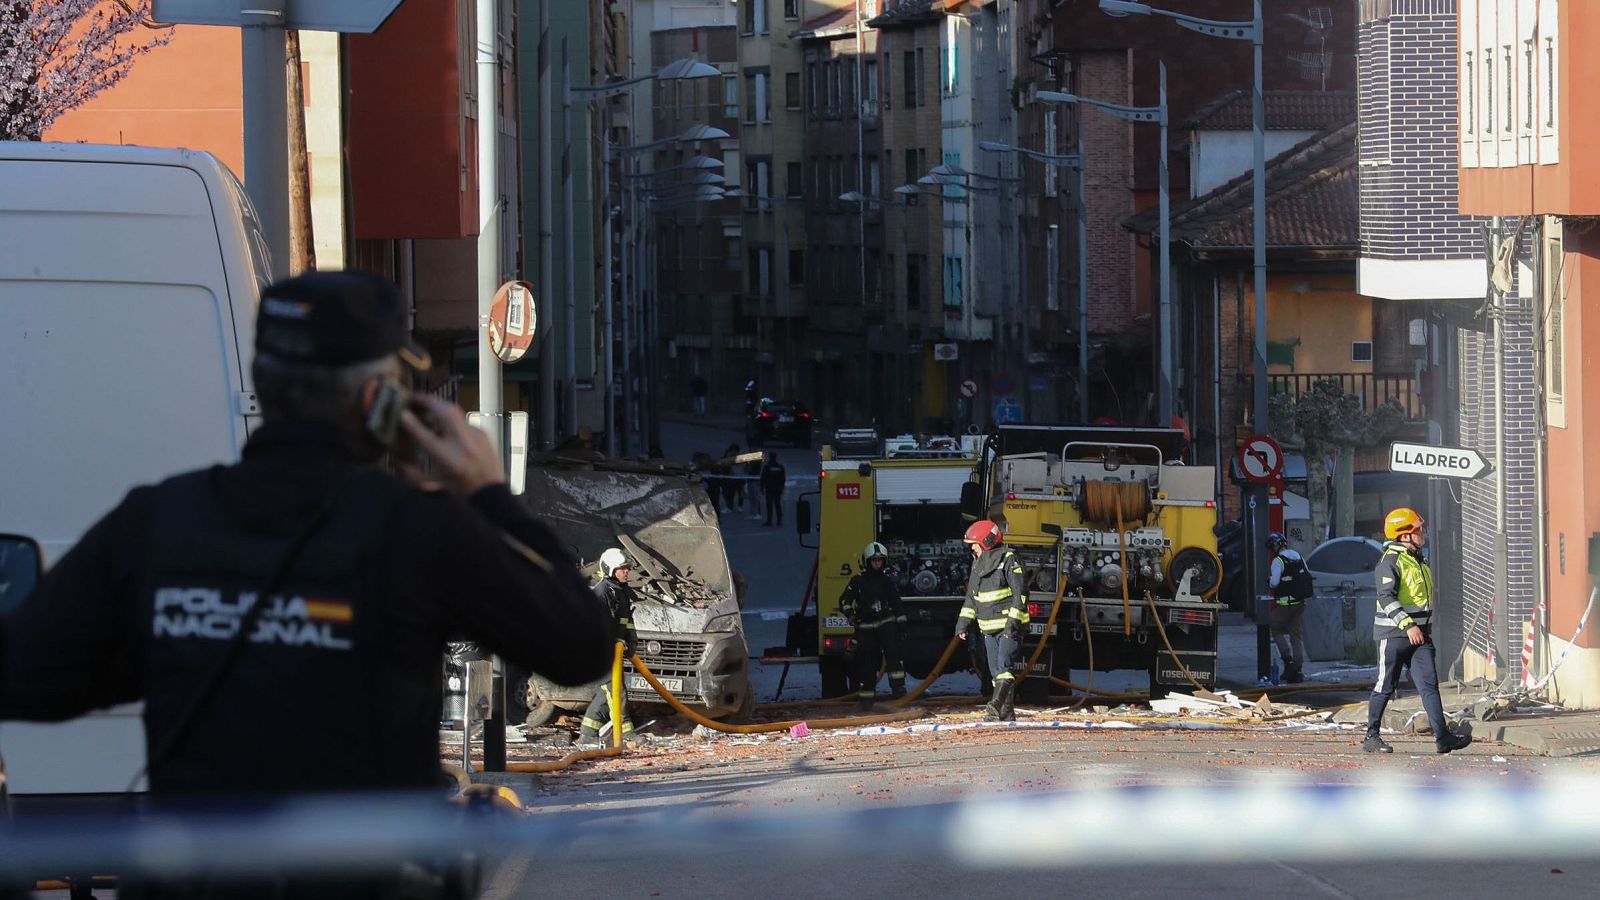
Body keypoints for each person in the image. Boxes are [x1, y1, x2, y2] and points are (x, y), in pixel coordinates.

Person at [0, 270, 614, 804]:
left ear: (263, 382)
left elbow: (26, 677)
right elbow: (581, 646)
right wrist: (487, 495)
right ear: (380, 401)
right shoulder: (418, 532)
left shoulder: (155, 522)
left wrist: (178, 648)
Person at [1362, 508, 1472, 755]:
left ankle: (1443, 738)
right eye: (1418, 530)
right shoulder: (1390, 562)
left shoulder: (1418, 559)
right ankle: (1371, 736)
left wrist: (1419, 628)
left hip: (1420, 636)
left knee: (1429, 685)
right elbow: (1386, 597)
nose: (1423, 533)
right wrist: (1407, 625)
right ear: (1404, 535)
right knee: (1385, 685)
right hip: (1394, 636)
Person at [955, 520, 1028, 721]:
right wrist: (963, 624)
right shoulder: (978, 564)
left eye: (974, 543)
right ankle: (1007, 713)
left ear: (985, 541)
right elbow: (972, 598)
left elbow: (1020, 594)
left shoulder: (1009, 560)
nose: (972, 547)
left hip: (1008, 626)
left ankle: (995, 707)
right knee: (996, 673)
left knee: (1005, 667)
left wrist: (1012, 625)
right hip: (988, 627)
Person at [577, 548, 639, 748]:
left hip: (615, 651)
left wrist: (631, 641)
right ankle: (626, 734)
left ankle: (587, 733)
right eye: (622, 569)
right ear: (611, 570)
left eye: (627, 568)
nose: (626, 572)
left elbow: (626, 622)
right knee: (616, 692)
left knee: (605, 694)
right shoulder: (603, 593)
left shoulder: (621, 592)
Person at [840, 542, 907, 710]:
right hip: (866, 627)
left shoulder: (887, 581)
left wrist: (902, 624)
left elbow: (896, 603)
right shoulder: (858, 581)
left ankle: (899, 693)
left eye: (880, 560)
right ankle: (866, 700)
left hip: (886, 624)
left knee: (894, 657)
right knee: (867, 663)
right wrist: (850, 615)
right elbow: (844, 601)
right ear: (867, 561)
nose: (877, 563)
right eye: (874, 560)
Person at [1267, 532, 1313, 683]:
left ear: (1276, 546)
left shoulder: (1278, 561)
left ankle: (1288, 662)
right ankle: (1298, 670)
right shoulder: (1299, 557)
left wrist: (1269, 580)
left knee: (1276, 629)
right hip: (1299, 603)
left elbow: (1274, 583)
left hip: (1285, 605)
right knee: (1296, 635)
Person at [760, 452, 787, 526]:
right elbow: (783, 478)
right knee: (777, 504)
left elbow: (763, 478)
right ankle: (779, 520)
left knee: (769, 505)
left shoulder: (767, 467)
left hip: (769, 488)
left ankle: (769, 521)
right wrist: (782, 487)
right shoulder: (780, 466)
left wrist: (762, 487)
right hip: (777, 488)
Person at [744, 447, 764, 521]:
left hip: (756, 480)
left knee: (756, 497)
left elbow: (751, 468)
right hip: (749, 480)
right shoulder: (748, 460)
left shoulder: (758, 460)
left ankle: (758, 513)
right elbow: (746, 469)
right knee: (751, 497)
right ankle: (752, 513)